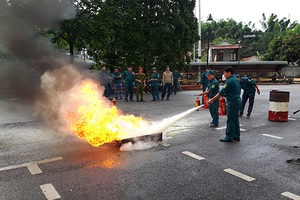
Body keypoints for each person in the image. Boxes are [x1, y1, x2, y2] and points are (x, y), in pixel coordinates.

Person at [207, 66, 241, 142]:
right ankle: (236, 135)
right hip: (237, 101)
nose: (224, 75)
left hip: (232, 102)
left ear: (229, 72)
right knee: (235, 119)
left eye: (225, 73)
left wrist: (212, 100)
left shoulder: (229, 81)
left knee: (230, 120)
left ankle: (229, 136)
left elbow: (221, 92)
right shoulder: (235, 79)